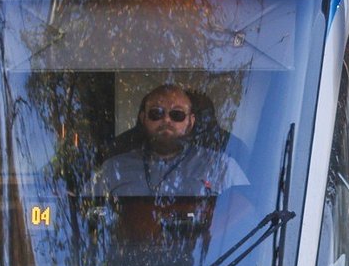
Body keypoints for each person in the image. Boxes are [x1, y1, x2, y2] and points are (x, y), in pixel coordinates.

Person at [93, 83, 249, 200]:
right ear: (143, 118)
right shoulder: (112, 169)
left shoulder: (221, 167)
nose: (166, 120)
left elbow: (246, 209)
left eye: (177, 115)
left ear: (190, 122)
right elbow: (85, 211)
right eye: (156, 113)